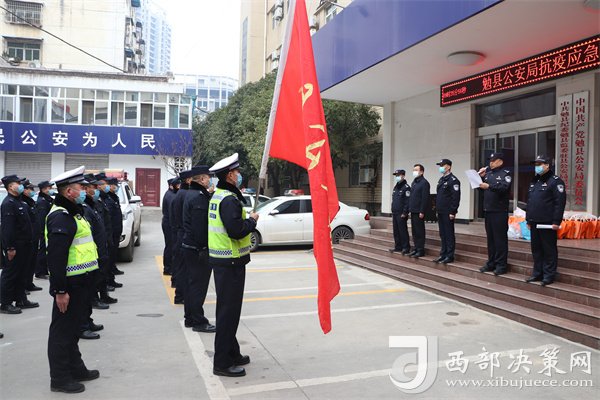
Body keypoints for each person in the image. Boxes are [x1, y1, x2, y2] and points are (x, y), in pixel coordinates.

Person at [46, 166, 100, 393]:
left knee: (73, 329)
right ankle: (59, 378)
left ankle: (76, 368)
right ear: (69, 191)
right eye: (81, 187)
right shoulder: (61, 216)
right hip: (69, 284)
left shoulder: (74, 213)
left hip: (81, 281)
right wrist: (60, 291)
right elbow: (56, 258)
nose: (84, 191)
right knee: (62, 332)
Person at [208, 153, 258, 377]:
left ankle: (232, 352)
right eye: (236, 172)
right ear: (229, 175)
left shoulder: (219, 195)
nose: (239, 175)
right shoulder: (228, 199)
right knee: (228, 313)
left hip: (225, 261)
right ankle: (222, 363)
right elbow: (236, 230)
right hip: (230, 262)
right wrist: (252, 221)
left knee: (228, 311)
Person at [181, 166, 216, 333]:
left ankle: (189, 317)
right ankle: (198, 321)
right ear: (202, 179)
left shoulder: (193, 193)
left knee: (192, 284)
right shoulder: (198, 197)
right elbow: (199, 228)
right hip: (197, 249)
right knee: (198, 287)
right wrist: (203, 248)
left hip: (190, 247)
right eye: (208, 177)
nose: (210, 180)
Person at [524, 155, 566, 287]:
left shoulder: (555, 181)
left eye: (539, 164)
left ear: (547, 165)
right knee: (536, 249)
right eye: (535, 164)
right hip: (534, 222)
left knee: (549, 250)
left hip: (547, 222)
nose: (537, 166)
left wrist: (556, 221)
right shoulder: (534, 181)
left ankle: (549, 275)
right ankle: (537, 273)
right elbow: (530, 202)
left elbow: (559, 203)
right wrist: (528, 219)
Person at [79, 175, 110, 339]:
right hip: (87, 257)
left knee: (90, 290)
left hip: (95, 254)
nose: (95, 190)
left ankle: (87, 321)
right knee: (85, 295)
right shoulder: (84, 208)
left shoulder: (91, 205)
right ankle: (82, 326)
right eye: (92, 187)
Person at [0, 175, 37, 314]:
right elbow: (7, 229)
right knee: (10, 274)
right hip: (16, 246)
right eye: (18, 183)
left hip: (25, 245)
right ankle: (5, 303)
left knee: (22, 273)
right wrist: (10, 247)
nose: (21, 185)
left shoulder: (19, 201)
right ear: (10, 187)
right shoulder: (8, 203)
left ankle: (21, 299)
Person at [478, 152, 512, 275]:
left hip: (499, 212)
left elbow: (503, 188)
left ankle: (501, 265)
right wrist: (479, 177)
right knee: (491, 239)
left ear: (500, 161)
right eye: (490, 160)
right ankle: (491, 262)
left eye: (493, 160)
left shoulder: (505, 174)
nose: (491, 163)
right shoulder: (488, 174)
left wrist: (488, 186)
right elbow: (481, 189)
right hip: (488, 211)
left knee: (500, 240)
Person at [170, 169, 193, 303]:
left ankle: (179, 294)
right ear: (188, 180)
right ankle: (180, 296)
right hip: (183, 233)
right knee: (184, 268)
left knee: (180, 265)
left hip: (179, 232)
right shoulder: (185, 195)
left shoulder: (180, 193)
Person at [94, 173, 117, 306]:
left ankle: (104, 295)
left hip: (105, 239)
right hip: (96, 244)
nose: (107, 186)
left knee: (103, 269)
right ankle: (97, 297)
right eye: (104, 184)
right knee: (98, 272)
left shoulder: (101, 200)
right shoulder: (92, 204)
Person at [433, 159, 461, 264]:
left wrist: (453, 211)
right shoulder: (441, 180)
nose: (440, 167)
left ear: (448, 167)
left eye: (442, 165)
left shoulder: (453, 180)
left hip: (448, 212)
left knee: (449, 234)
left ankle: (449, 255)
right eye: (440, 165)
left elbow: (455, 198)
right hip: (440, 211)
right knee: (442, 234)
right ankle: (443, 254)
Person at [21, 180, 44, 292]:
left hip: (34, 237)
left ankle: (29, 283)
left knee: (31, 262)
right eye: (30, 189)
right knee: (24, 264)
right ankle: (22, 286)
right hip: (26, 238)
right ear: (24, 190)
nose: (32, 191)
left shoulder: (30, 202)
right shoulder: (22, 202)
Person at [408, 164, 430, 258]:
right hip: (413, 210)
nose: (414, 172)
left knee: (419, 231)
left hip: (419, 211)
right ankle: (416, 248)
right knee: (414, 231)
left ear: (421, 172)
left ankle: (420, 250)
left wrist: (422, 211)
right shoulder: (414, 182)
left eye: (416, 170)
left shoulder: (424, 183)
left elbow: (425, 199)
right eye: (414, 170)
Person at [105, 177, 124, 289]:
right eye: (115, 185)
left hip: (116, 232)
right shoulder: (107, 199)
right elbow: (109, 219)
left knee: (113, 256)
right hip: (110, 233)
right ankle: (108, 281)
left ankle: (111, 278)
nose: (116, 187)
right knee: (109, 258)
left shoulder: (113, 197)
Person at [35, 181, 55, 279]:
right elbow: (42, 218)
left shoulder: (48, 199)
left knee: (46, 250)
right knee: (42, 251)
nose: (50, 189)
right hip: (43, 230)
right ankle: (40, 271)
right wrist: (43, 231)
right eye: (49, 188)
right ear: (43, 189)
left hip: (48, 229)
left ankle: (44, 270)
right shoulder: (42, 201)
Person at [389, 169, 411, 254]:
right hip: (395, 212)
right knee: (396, 231)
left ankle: (406, 247)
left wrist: (405, 212)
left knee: (402, 231)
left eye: (398, 175)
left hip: (401, 213)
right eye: (396, 176)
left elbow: (407, 201)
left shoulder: (406, 187)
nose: (397, 177)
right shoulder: (396, 187)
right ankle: (398, 246)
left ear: (403, 176)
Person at [161, 177, 179, 276]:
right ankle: (168, 268)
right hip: (169, 224)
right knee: (170, 246)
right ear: (171, 185)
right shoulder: (170, 196)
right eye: (177, 185)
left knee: (170, 245)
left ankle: (169, 267)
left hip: (168, 222)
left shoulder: (170, 194)